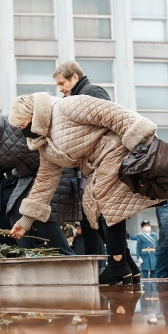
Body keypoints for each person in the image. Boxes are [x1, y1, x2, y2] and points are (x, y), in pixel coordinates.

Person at [8, 92, 162, 284]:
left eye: (23, 124)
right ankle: (127, 265)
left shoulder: (67, 106)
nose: (23, 131)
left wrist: (144, 142)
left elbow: (112, 113)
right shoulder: (44, 142)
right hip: (96, 166)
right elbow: (45, 180)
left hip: (117, 150)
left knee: (104, 198)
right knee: (91, 208)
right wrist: (25, 221)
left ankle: (117, 264)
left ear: (33, 114)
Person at [0, 99, 80, 255]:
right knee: (15, 209)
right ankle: (28, 255)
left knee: (36, 210)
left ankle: (66, 256)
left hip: (56, 167)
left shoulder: (16, 123)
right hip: (27, 176)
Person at [53, 61, 108, 272]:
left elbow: (106, 126)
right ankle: (100, 268)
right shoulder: (68, 100)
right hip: (85, 169)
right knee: (89, 221)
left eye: (62, 83)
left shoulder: (93, 92)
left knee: (99, 220)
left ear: (75, 77)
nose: (60, 88)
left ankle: (110, 266)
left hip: (98, 167)